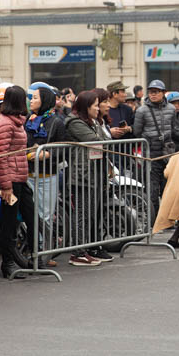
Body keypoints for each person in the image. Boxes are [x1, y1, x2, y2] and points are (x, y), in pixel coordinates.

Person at [62, 90, 109, 267]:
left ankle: (86, 249)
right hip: (81, 175)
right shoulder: (74, 122)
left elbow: (104, 139)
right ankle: (77, 253)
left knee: (90, 214)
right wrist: (98, 129)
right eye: (95, 105)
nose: (98, 108)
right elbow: (97, 141)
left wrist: (98, 124)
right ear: (85, 106)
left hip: (94, 174)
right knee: (82, 214)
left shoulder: (92, 122)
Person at [0, 86, 33, 279]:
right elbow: (1, 156)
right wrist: (6, 185)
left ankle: (34, 258)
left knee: (31, 215)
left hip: (21, 178)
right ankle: (7, 263)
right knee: (9, 224)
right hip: (10, 180)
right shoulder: (5, 124)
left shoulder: (17, 122)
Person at [132, 80, 175, 216]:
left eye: (156, 92)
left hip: (168, 154)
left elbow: (174, 129)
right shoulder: (141, 111)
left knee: (168, 188)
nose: (153, 94)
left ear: (163, 93)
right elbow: (137, 132)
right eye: (151, 92)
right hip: (150, 153)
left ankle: (167, 218)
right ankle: (154, 219)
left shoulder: (172, 109)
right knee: (152, 189)